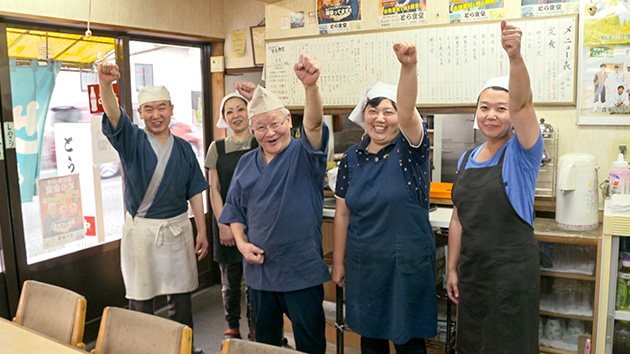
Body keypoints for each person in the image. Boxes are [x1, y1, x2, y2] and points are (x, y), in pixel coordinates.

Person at [218, 54, 329, 354]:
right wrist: (241, 243)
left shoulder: (304, 154)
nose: (270, 133)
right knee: (265, 345)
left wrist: (311, 87)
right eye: (261, 128)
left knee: (310, 343)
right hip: (260, 274)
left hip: (300, 271)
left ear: (289, 121)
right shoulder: (245, 163)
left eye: (275, 124)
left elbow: (315, 124)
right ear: (252, 131)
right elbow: (235, 211)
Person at [331, 41, 436, 354]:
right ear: (363, 115)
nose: (380, 118)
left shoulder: (410, 150)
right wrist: (339, 262)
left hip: (407, 265)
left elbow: (408, 115)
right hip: (366, 265)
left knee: (409, 342)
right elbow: (343, 213)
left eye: (388, 111)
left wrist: (408, 68)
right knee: (371, 340)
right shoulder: (352, 156)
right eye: (372, 110)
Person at [446, 20, 543, 354]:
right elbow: (458, 219)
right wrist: (452, 268)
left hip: (511, 280)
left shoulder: (523, 152)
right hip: (473, 276)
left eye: (501, 109)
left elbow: (523, 105)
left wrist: (515, 58)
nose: (491, 115)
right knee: (471, 346)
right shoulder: (467, 158)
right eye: (484, 108)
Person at [97, 62, 209, 354]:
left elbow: (195, 189)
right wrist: (106, 85)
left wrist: (202, 230)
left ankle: (184, 348)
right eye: (149, 109)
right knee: (140, 300)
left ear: (172, 109)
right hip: (143, 233)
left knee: (181, 299)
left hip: (178, 229)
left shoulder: (184, 147)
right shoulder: (131, 139)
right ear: (140, 113)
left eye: (161, 108)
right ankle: (143, 348)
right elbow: (112, 113)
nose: (156, 115)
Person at [204, 82, 258, 344]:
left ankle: (257, 326)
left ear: (250, 112)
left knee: (257, 279)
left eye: (241, 109)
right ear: (223, 118)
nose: (236, 115)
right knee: (231, 279)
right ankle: (232, 325)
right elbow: (213, 188)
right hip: (226, 220)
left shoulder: (261, 140)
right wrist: (223, 223)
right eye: (229, 112)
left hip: (257, 222)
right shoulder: (217, 147)